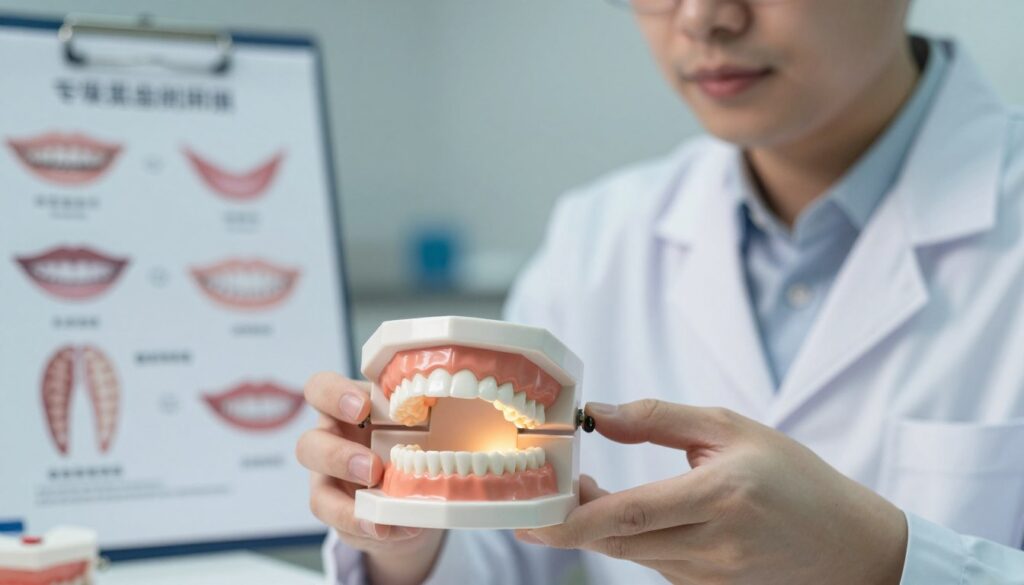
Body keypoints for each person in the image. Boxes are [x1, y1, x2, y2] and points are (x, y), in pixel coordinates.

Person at [296, 0, 1024, 582]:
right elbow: (503, 558)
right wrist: (405, 538)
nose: (704, 16)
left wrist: (881, 562)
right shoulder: (596, 236)